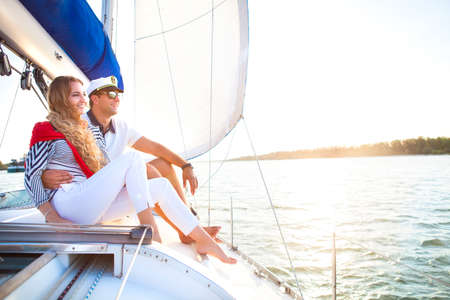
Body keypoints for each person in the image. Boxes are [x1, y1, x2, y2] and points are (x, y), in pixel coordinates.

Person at [24, 75, 236, 264]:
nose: (83, 100)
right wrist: (51, 215)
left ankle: (204, 241)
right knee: (133, 157)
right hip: (67, 204)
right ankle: (150, 229)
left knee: (160, 185)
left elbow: (105, 168)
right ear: (61, 98)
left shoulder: (87, 131)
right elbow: (31, 175)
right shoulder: (46, 129)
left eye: (82, 95)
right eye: (75, 95)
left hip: (89, 204)